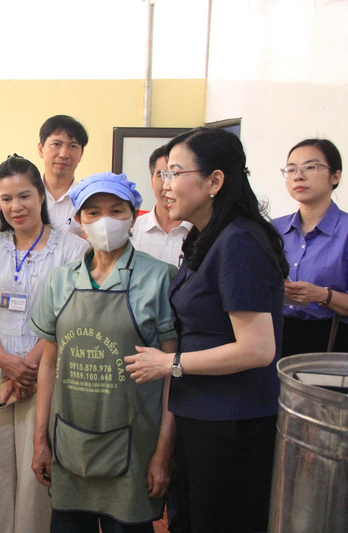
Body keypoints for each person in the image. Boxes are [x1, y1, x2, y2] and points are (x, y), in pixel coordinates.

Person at [123, 127, 287, 533]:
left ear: (214, 181)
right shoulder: (206, 237)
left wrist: (170, 363)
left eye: (176, 173)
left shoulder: (239, 242)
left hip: (232, 422)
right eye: (164, 174)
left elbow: (257, 348)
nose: (166, 185)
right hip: (201, 414)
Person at [30, 172, 176, 532]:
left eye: (116, 211)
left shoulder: (160, 278)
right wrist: (39, 440)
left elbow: (173, 375)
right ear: (79, 220)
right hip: (69, 442)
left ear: (133, 216)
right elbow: (49, 364)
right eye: (93, 212)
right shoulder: (61, 280)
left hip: (135, 446)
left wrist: (163, 451)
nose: (105, 221)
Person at [0, 155, 86, 533]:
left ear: (41, 196)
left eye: (24, 196)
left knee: (38, 468)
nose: (16, 206)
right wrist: (5, 360)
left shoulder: (72, 249)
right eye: (6, 198)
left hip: (46, 371)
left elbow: (68, 313)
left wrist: (30, 364)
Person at [272, 139, 348, 356]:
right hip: (275, 336)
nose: (298, 176)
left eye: (310, 167)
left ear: (335, 176)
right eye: (291, 169)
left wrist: (322, 295)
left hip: (330, 342)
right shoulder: (273, 229)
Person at [131, 144, 192, 265]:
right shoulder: (132, 230)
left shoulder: (200, 232)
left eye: (176, 175)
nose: (167, 185)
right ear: (152, 181)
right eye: (161, 175)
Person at [38, 115, 89, 237]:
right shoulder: (24, 196)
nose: (64, 154)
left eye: (73, 146)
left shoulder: (87, 200)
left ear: (81, 154)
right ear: (41, 149)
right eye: (56, 144)